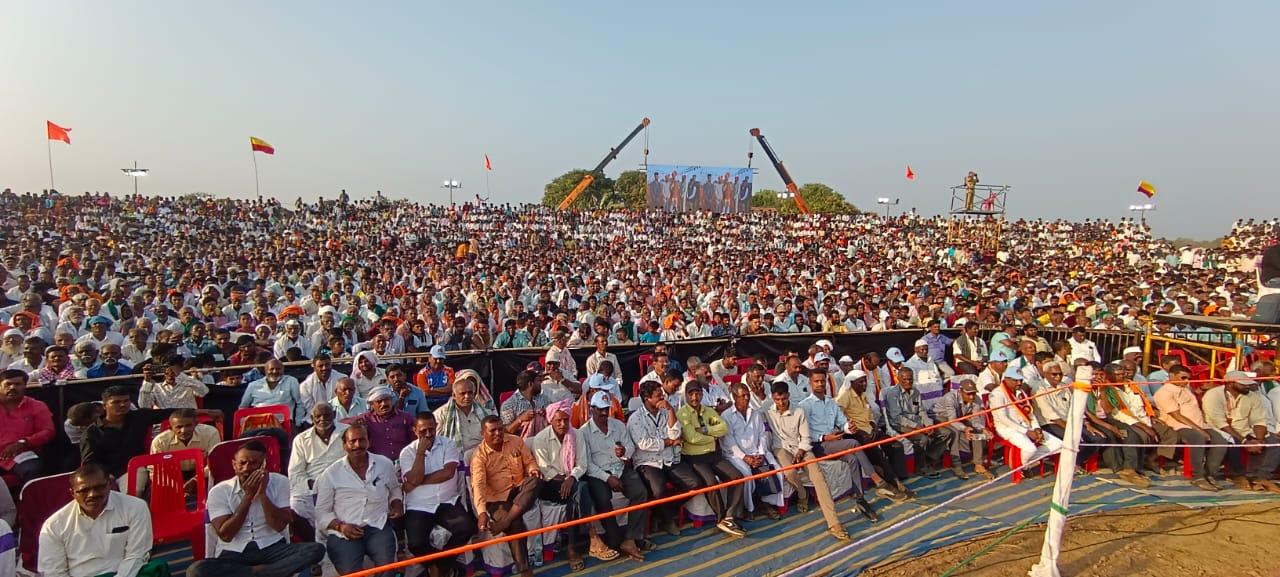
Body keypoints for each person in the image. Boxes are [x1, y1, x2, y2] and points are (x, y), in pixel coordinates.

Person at [190, 440, 326, 577]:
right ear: (234, 465)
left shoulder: (280, 482)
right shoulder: (219, 491)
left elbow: (278, 526)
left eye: (254, 463)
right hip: (233, 553)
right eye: (242, 463)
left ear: (264, 464)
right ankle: (261, 572)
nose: (247, 468)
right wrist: (248, 496)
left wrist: (262, 494)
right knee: (197, 570)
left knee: (315, 549)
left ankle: (253, 573)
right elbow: (226, 535)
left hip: (272, 547)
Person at [38, 464, 163, 577]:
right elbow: (53, 572)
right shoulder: (54, 525)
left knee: (156, 568)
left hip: (125, 573)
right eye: (84, 490)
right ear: (73, 493)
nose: (92, 494)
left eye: (99, 488)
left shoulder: (136, 507)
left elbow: (136, 555)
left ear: (109, 485)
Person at [764, 381, 851, 541]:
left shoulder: (799, 411)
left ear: (788, 396)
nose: (781, 403)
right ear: (773, 398)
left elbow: (805, 437)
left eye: (783, 399)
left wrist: (801, 452)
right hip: (781, 448)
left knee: (818, 478)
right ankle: (802, 494)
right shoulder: (768, 411)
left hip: (802, 447)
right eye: (777, 399)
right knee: (789, 472)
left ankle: (834, 523)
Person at [315, 425, 404, 576]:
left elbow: (395, 488)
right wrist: (341, 527)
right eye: (352, 441)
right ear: (344, 445)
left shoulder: (384, 464)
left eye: (362, 440)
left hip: (378, 525)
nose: (357, 445)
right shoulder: (330, 474)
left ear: (368, 442)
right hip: (343, 532)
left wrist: (397, 503)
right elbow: (321, 512)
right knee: (350, 573)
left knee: (387, 569)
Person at [576, 391, 651, 561]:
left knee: (640, 491)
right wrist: (608, 478)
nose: (604, 413)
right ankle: (616, 539)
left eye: (606, 409)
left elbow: (630, 447)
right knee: (602, 498)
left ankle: (631, 538)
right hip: (598, 473)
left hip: (620, 468)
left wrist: (624, 453)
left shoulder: (618, 425)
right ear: (591, 409)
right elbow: (587, 465)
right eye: (600, 409)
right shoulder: (583, 432)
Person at [401, 411, 477, 577]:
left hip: (447, 501)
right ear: (415, 430)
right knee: (415, 544)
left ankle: (440, 568)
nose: (428, 434)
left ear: (436, 427)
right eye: (423, 431)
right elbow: (413, 477)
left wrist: (416, 482)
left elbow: (448, 473)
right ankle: (441, 568)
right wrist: (420, 453)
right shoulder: (407, 452)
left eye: (431, 429)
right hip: (419, 505)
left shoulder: (448, 444)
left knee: (466, 528)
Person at [471, 415, 542, 577]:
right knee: (515, 525)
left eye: (500, 429)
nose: (498, 433)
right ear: (483, 433)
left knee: (536, 480)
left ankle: (506, 521)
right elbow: (479, 486)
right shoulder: (479, 457)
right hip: (497, 498)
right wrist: (482, 512)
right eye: (493, 431)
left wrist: (533, 469)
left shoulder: (516, 441)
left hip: (519, 488)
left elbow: (529, 461)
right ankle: (524, 569)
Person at [627, 381, 697, 537]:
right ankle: (668, 520)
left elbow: (674, 433)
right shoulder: (635, 418)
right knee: (658, 490)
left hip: (668, 458)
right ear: (647, 397)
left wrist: (671, 409)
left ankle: (664, 512)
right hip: (648, 461)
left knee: (694, 483)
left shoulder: (666, 412)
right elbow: (644, 443)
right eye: (658, 395)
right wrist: (668, 442)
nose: (662, 398)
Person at [677, 382, 746, 537]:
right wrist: (711, 437)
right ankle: (722, 519)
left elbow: (723, 428)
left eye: (697, 394)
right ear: (686, 395)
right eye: (691, 394)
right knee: (711, 483)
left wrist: (706, 430)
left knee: (737, 477)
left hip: (713, 454)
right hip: (695, 457)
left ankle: (730, 516)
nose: (695, 397)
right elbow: (691, 438)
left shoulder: (708, 412)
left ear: (702, 394)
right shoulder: (683, 414)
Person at [1152, 365, 1229, 492]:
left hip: (1200, 424)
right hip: (1178, 426)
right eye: (1183, 377)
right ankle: (1198, 476)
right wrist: (1199, 430)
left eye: (1188, 378)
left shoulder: (1185, 388)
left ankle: (1209, 474)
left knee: (1220, 441)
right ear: (1172, 376)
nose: (1186, 381)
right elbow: (1176, 415)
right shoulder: (1164, 392)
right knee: (1198, 439)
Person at [1201, 371, 1280, 493]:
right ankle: (1237, 475)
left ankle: (1260, 476)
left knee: (1273, 443)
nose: (1247, 386)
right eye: (1243, 384)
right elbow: (1219, 423)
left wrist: (1259, 440)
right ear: (1230, 384)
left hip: (1244, 429)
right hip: (1217, 429)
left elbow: (1259, 419)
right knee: (1234, 442)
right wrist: (1245, 442)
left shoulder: (1252, 396)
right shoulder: (1213, 395)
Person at [721, 382, 785, 520]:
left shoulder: (755, 413)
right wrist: (745, 457)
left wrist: (761, 453)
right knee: (747, 475)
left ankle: (768, 504)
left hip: (757, 452)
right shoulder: (726, 416)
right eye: (742, 396)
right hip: (736, 455)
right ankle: (749, 508)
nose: (746, 398)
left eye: (748, 395)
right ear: (734, 398)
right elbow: (728, 442)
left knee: (776, 470)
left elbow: (762, 434)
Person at [288, 402, 349, 542]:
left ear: (334, 415)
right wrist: (315, 484)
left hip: (342, 483)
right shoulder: (301, 439)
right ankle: (313, 543)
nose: (322, 419)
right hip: (312, 487)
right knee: (295, 507)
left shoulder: (347, 432)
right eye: (318, 416)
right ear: (311, 418)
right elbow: (295, 473)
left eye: (327, 415)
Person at [988, 365, 1063, 474]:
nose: (1019, 383)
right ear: (1006, 379)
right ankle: (1024, 467)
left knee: (1059, 445)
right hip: (1007, 428)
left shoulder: (1021, 392)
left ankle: (1024, 464)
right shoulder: (997, 394)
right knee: (1030, 449)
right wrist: (1027, 432)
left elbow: (1030, 413)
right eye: (1015, 380)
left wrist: (1037, 428)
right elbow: (1003, 419)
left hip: (1026, 425)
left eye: (1020, 380)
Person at [883, 367, 954, 478]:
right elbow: (897, 418)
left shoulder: (915, 391)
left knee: (946, 433)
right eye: (904, 379)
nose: (907, 382)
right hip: (901, 425)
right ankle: (920, 467)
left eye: (910, 379)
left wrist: (929, 424)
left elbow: (921, 410)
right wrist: (919, 427)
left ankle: (928, 458)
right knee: (923, 439)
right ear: (898, 379)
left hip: (918, 423)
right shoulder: (893, 394)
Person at [0, 368, 53, 487]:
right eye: (8, 384)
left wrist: (24, 442)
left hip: (21, 453)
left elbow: (48, 431)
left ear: (25, 386)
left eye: (17, 384)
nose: (12, 388)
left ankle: (32, 504)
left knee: (32, 470)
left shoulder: (37, 406)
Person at [932, 380, 993, 480]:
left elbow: (975, 419)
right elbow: (952, 420)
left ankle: (978, 464)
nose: (971, 397)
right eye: (968, 394)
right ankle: (956, 465)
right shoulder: (950, 398)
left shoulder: (976, 399)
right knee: (954, 432)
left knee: (976, 430)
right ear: (960, 391)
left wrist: (982, 428)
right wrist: (965, 428)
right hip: (940, 417)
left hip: (958, 417)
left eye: (973, 393)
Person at [349, 387, 415, 461]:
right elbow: (343, 423)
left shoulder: (406, 417)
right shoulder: (365, 419)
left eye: (386, 400)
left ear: (391, 400)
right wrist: (356, 425)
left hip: (404, 462)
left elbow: (414, 442)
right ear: (372, 404)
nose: (384, 404)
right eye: (379, 401)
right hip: (377, 465)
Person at [434, 377, 489, 461]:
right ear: (454, 395)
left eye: (470, 393)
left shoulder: (486, 412)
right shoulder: (440, 414)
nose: (467, 396)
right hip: (453, 458)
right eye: (463, 393)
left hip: (483, 455)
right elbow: (436, 442)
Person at [239, 358, 304, 426]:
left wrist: (297, 423)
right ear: (266, 370)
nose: (275, 371)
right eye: (271, 369)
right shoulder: (253, 385)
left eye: (278, 369)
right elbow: (243, 407)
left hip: (283, 422)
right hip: (258, 423)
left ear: (283, 370)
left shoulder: (291, 381)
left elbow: (300, 403)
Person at [138, 355, 208, 409]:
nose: (170, 375)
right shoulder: (156, 387)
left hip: (187, 420)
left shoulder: (189, 383)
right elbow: (144, 406)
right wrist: (147, 381)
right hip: (164, 423)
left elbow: (204, 391)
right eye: (167, 372)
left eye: (173, 372)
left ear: (181, 369)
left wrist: (180, 375)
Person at [501, 369, 550, 438]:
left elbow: (553, 416)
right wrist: (520, 419)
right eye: (538, 381)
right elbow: (506, 431)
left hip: (542, 442)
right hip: (520, 445)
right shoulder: (510, 404)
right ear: (530, 384)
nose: (540, 384)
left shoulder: (543, 399)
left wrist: (546, 413)